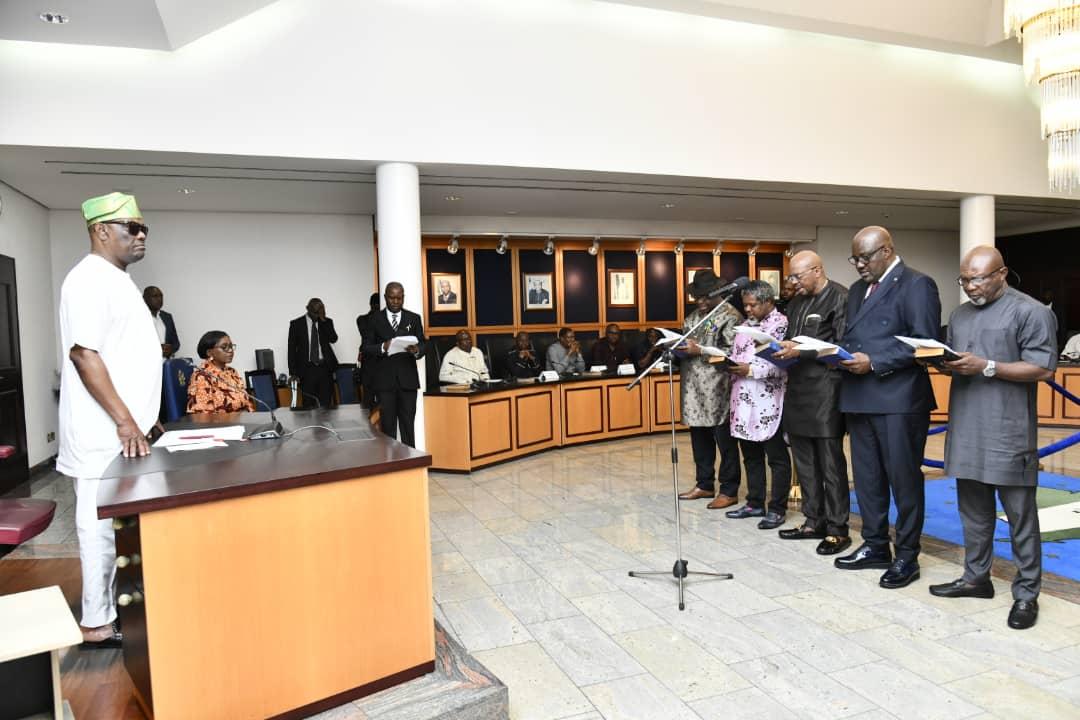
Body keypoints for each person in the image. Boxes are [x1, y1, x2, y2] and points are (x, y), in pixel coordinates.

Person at [930, 246, 1057, 630]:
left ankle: (1026, 594)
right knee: (973, 512)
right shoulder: (960, 314)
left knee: (1020, 517)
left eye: (979, 278)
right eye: (965, 279)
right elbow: (963, 362)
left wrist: (986, 366)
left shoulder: (1031, 311)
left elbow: (1042, 367)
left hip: (1009, 430)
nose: (971, 287)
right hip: (968, 426)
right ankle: (975, 578)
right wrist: (942, 362)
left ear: (1002, 273)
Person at [58, 192, 161, 647]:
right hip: (104, 433)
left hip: (127, 431)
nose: (140, 236)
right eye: (131, 228)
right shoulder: (87, 280)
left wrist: (145, 418)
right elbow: (84, 353)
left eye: (144, 229)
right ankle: (97, 623)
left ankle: (122, 610)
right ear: (100, 231)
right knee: (98, 528)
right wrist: (124, 420)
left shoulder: (118, 279)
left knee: (122, 527)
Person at [834, 226, 941, 589]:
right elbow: (853, 336)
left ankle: (907, 556)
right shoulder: (857, 291)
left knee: (904, 480)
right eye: (855, 259)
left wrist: (874, 362)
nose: (859, 266)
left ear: (887, 250)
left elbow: (924, 344)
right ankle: (876, 545)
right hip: (859, 396)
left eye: (865, 258)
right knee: (867, 480)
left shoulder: (917, 284)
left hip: (899, 399)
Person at [772, 251, 852, 555]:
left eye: (797, 276)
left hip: (826, 391)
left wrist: (801, 351)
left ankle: (837, 528)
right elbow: (792, 340)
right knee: (804, 463)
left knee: (830, 465)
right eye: (791, 276)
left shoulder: (840, 297)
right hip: (798, 391)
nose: (792, 282)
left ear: (817, 270)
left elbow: (843, 348)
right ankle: (813, 520)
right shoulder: (796, 303)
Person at [724, 281, 792, 529]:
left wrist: (751, 369)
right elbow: (738, 354)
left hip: (768, 400)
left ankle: (777, 508)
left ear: (767, 301)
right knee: (750, 456)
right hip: (742, 398)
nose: (749, 309)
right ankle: (754, 503)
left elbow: (782, 362)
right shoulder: (742, 326)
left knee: (776, 458)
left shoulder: (781, 324)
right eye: (746, 305)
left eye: (753, 305)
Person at [675, 269, 742, 509]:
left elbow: (734, 353)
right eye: (697, 297)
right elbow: (686, 344)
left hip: (718, 389)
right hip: (693, 389)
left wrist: (700, 350)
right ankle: (704, 484)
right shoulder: (692, 318)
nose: (701, 302)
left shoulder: (730, 316)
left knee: (724, 442)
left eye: (705, 297)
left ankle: (729, 489)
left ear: (717, 294)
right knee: (699, 440)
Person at [360, 282, 426, 447]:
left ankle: (411, 467)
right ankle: (391, 465)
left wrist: (417, 349)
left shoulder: (414, 318)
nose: (395, 301)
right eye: (392, 298)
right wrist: (383, 346)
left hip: (408, 382)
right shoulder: (374, 319)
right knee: (388, 428)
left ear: (403, 297)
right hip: (385, 383)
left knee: (408, 427)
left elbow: (424, 344)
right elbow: (366, 347)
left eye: (399, 298)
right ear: (385, 298)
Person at [287, 298, 339, 409]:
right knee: (308, 406)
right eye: (314, 312)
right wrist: (293, 372)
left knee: (326, 407)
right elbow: (291, 350)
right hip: (307, 370)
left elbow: (333, 339)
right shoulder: (296, 324)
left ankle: (325, 426)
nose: (316, 316)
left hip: (324, 368)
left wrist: (323, 319)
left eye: (318, 312)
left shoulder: (326, 322)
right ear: (307, 308)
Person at [187, 331, 256, 414]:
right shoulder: (202, 376)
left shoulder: (232, 372)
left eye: (231, 346)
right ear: (209, 352)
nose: (230, 350)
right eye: (224, 347)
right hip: (222, 425)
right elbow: (202, 416)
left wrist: (252, 417)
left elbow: (247, 401)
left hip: (245, 421)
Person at [355, 292, 381, 408]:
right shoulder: (362, 319)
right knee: (372, 399)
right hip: (373, 363)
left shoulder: (363, 319)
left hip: (374, 363)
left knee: (372, 399)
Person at [142, 285, 179, 359]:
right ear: (145, 299)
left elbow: (176, 343)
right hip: (146, 364)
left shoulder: (167, 317)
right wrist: (156, 349)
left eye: (161, 296)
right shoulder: (138, 318)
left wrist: (171, 349)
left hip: (165, 364)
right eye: (155, 296)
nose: (159, 299)